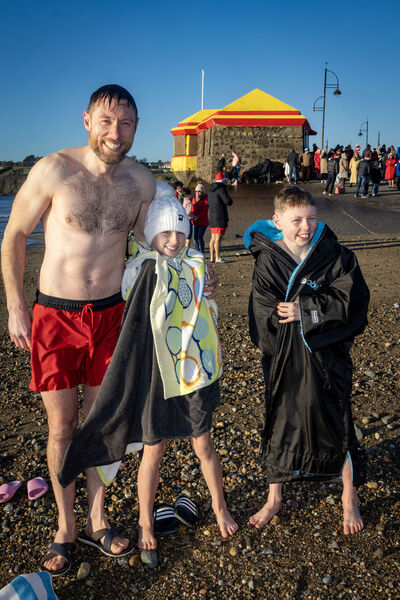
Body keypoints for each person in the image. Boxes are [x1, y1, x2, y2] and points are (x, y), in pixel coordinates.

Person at [1, 84, 217, 576]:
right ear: (86, 120)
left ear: (136, 127)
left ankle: (98, 520)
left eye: (125, 124)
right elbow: (13, 235)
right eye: (105, 121)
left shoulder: (141, 184)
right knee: (61, 426)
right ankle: (65, 527)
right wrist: (16, 306)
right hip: (54, 315)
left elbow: (166, 236)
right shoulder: (54, 171)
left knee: (104, 423)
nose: (114, 133)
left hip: (111, 315)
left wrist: (199, 276)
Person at [58, 185, 238, 550]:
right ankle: (145, 524)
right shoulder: (140, 268)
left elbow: (207, 311)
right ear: (150, 233)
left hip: (193, 373)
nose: (173, 240)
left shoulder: (195, 262)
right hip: (157, 377)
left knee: (203, 443)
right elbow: (127, 297)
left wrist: (209, 290)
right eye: (164, 233)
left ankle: (220, 506)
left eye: (180, 232)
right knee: (153, 450)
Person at [243, 186, 369, 535]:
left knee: (337, 421)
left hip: (326, 360)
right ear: (277, 220)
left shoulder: (335, 256)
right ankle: (274, 497)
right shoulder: (268, 259)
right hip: (285, 360)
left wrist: (307, 311)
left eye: (312, 218)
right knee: (280, 421)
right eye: (296, 219)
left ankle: (349, 497)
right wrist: (295, 321)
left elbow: (352, 301)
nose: (305, 227)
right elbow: (263, 314)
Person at [208, 171, 233, 263]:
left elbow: (209, 202)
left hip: (212, 215)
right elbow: (227, 201)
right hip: (220, 216)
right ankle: (218, 258)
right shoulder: (221, 189)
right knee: (218, 238)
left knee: (213, 238)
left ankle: (211, 257)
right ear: (222, 180)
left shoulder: (210, 190)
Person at [191, 183, 209, 254]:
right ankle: (196, 252)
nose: (197, 193)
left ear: (203, 192)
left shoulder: (206, 199)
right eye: (196, 191)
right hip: (194, 221)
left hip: (203, 222)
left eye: (199, 191)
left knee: (199, 237)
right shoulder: (193, 199)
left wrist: (197, 217)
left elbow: (204, 212)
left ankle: (202, 253)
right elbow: (191, 209)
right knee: (195, 238)